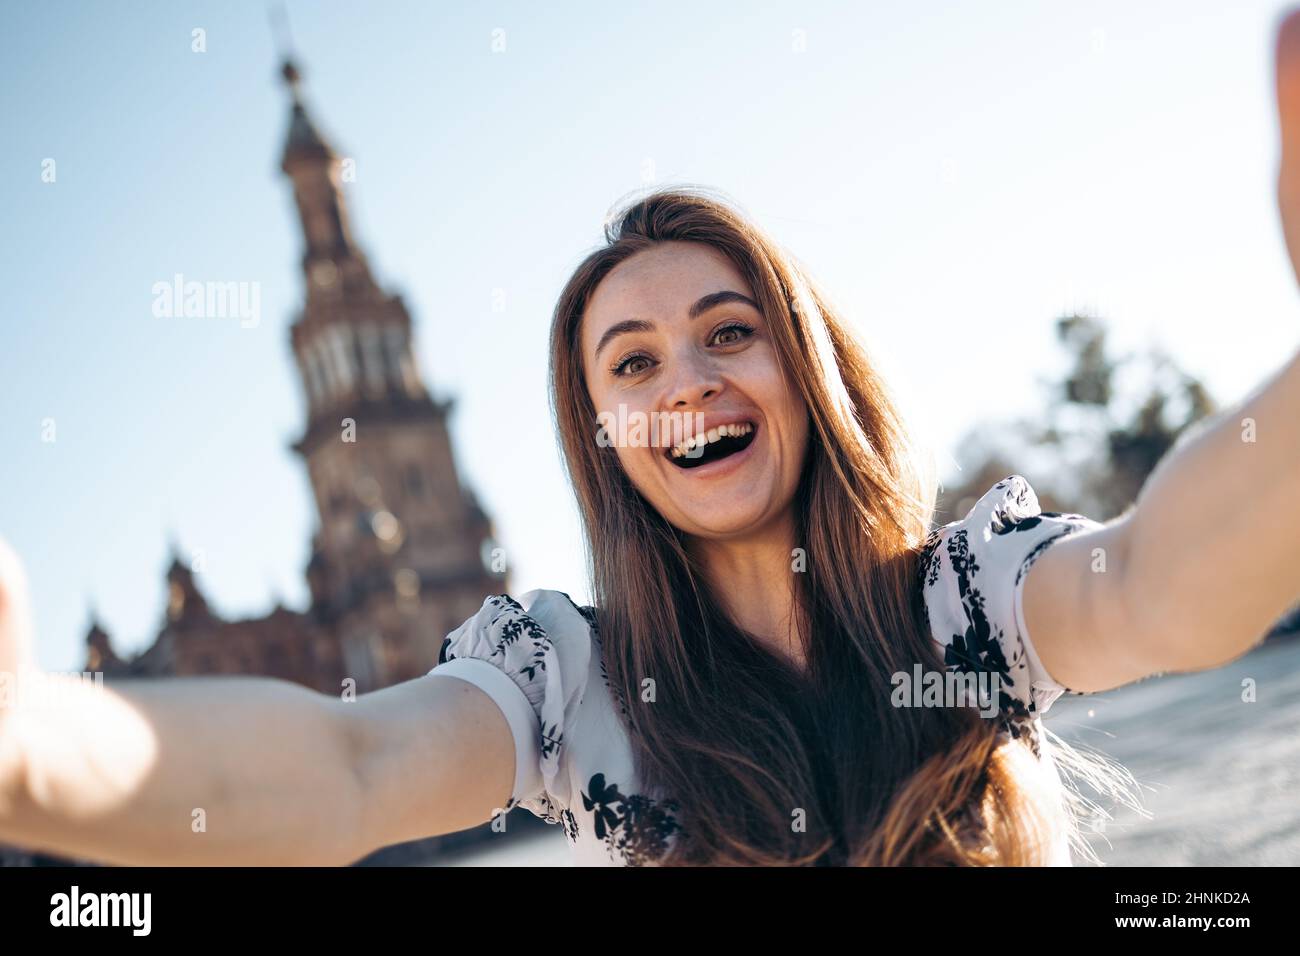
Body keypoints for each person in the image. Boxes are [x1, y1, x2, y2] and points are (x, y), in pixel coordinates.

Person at [4, 14, 1300, 869]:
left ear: (806, 368)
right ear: (607, 438)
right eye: (633, 362)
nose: (687, 380)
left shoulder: (968, 606)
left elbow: (1153, 585)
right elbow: (350, 766)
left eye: (729, 333)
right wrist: (37, 752)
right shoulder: (573, 689)